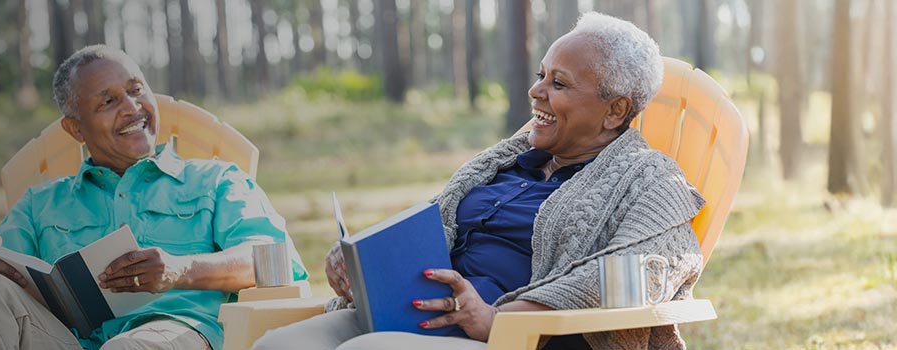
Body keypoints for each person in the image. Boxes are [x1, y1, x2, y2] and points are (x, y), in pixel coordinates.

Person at [252, 12, 705, 350]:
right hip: (412, 314)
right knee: (276, 346)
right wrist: (360, 261)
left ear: (616, 111)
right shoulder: (507, 158)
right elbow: (429, 223)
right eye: (540, 75)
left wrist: (496, 318)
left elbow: (652, 268)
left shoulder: (650, 180)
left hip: (504, 338)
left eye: (560, 84)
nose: (536, 91)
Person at [0, 45, 307, 350]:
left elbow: (273, 258)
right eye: (108, 102)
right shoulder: (41, 203)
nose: (132, 107)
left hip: (174, 333)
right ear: (75, 129)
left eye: (136, 89)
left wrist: (180, 269)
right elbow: (3, 271)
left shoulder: (215, 180)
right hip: (70, 341)